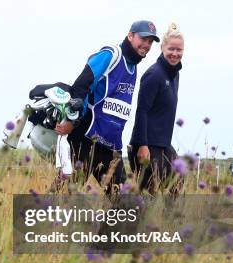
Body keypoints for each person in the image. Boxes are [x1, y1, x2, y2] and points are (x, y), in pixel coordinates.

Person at [54, 20, 159, 193]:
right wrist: (73, 120)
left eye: (150, 42)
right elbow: (81, 85)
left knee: (125, 203)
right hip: (85, 139)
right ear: (130, 36)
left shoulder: (133, 66)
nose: (147, 45)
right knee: (65, 196)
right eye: (144, 39)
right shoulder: (111, 55)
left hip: (109, 146)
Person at [128, 23, 184, 193]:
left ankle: (168, 220)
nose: (175, 53)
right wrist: (142, 145)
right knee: (147, 196)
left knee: (178, 180)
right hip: (147, 146)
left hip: (163, 145)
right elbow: (142, 111)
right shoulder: (154, 74)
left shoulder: (174, 75)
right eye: (171, 49)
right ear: (162, 48)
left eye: (179, 50)